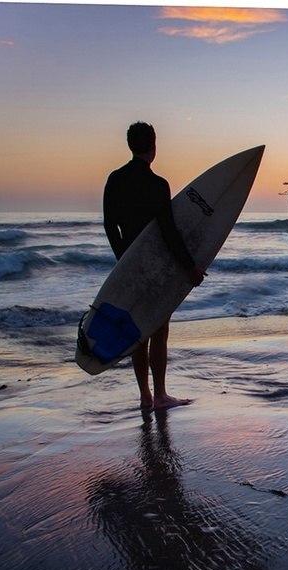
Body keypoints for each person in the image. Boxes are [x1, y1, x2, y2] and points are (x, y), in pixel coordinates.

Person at [103, 121, 206, 410]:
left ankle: (144, 396)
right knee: (159, 330)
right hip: (158, 266)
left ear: (130, 145)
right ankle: (160, 394)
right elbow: (168, 231)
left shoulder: (115, 180)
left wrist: (123, 260)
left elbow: (110, 226)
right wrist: (190, 266)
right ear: (154, 146)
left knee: (139, 332)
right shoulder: (157, 185)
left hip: (130, 267)